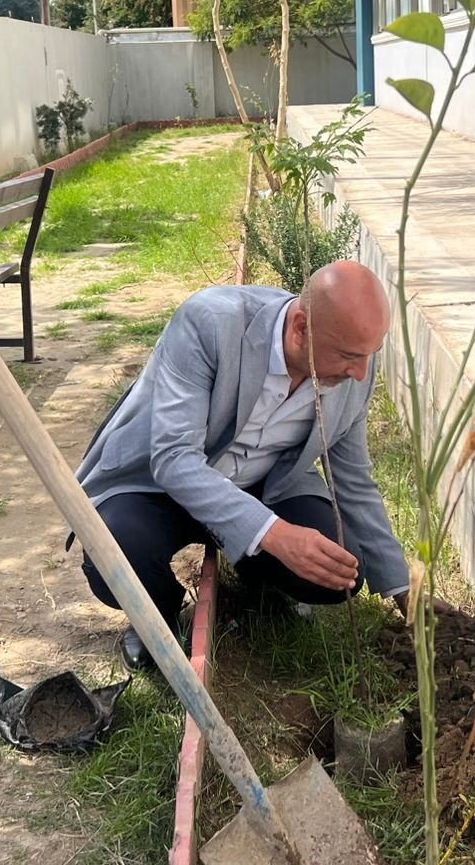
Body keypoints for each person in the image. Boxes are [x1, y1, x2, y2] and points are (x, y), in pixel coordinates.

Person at [76, 260, 413, 670]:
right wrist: (277, 535)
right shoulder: (210, 323)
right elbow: (174, 459)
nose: (360, 374)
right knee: (115, 549)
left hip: (261, 486)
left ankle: (261, 575)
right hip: (156, 487)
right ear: (301, 327)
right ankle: (157, 616)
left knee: (341, 567)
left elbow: (354, 482)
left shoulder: (354, 364)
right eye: (348, 356)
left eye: (368, 356)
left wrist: (403, 590)